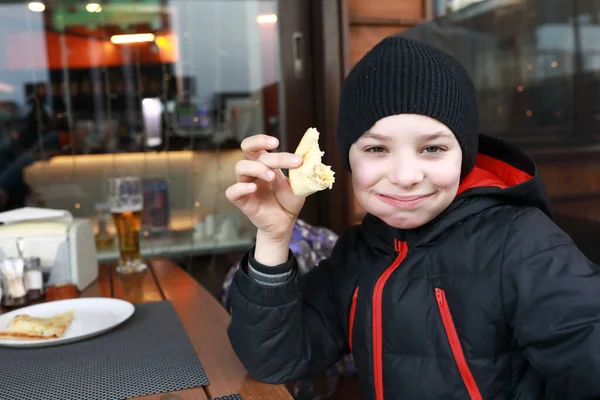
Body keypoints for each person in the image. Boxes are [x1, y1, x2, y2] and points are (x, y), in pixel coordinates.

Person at [224, 34, 600, 399]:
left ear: (464, 156)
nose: (406, 177)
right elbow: (276, 360)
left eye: (432, 148)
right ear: (348, 159)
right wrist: (273, 237)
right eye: (376, 148)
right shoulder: (358, 255)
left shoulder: (523, 245)